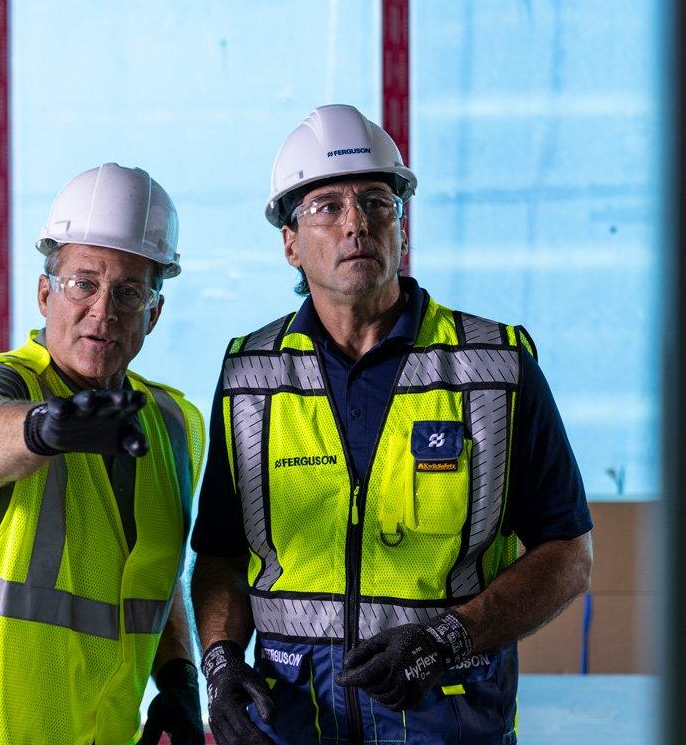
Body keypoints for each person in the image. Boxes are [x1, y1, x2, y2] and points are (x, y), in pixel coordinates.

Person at [190, 105, 594, 744]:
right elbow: (218, 554)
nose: (356, 224)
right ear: (290, 242)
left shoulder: (494, 368)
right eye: (327, 207)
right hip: (294, 720)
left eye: (377, 203)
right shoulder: (250, 377)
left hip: (448, 718)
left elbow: (568, 556)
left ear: (401, 226)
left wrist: (449, 635)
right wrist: (219, 664)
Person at [0, 164, 206, 745]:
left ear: (154, 314)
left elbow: (155, 578)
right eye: (83, 283)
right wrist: (44, 428)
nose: (104, 311)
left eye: (129, 293)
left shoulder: (172, 425)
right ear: (45, 293)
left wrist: (179, 676)